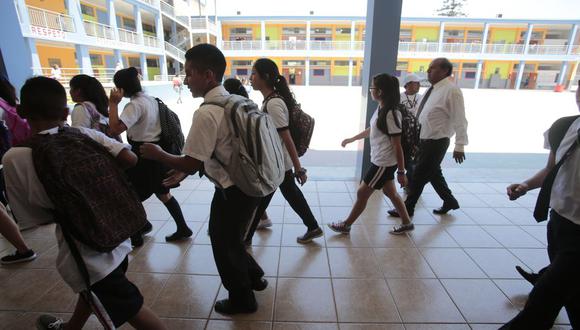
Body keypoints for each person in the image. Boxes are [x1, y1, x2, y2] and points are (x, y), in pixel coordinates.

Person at [3, 76, 166, 330]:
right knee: (96, 292)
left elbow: (35, 220)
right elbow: (130, 158)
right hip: (118, 233)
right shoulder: (85, 134)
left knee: (129, 305)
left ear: (22, 112)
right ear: (65, 111)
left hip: (86, 251)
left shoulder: (17, 157)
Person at [140, 44, 268, 315]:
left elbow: (192, 160)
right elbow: (217, 150)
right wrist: (185, 169)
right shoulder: (235, 101)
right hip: (250, 184)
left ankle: (242, 299)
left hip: (232, 190)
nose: (185, 80)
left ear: (208, 75)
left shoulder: (207, 112)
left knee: (223, 244)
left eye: (189, 73)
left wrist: (158, 153)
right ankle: (254, 276)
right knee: (229, 238)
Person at [500, 87, 580, 330]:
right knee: (572, 296)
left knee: (541, 304)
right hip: (559, 223)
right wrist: (526, 185)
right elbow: (551, 170)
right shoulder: (565, 127)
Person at [108, 67, 192, 243]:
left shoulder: (135, 105)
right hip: (157, 152)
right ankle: (183, 228)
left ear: (121, 89)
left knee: (130, 197)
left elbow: (115, 129)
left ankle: (137, 236)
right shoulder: (152, 100)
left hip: (142, 156)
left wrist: (113, 104)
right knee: (163, 194)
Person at [245, 58, 323, 245]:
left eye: (254, 74)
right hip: (279, 162)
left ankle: (245, 237)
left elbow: (286, 138)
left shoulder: (273, 104)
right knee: (287, 194)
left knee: (263, 198)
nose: (251, 77)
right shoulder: (271, 100)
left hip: (278, 163)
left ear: (265, 77)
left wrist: (299, 169)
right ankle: (313, 227)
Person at [327, 73, 413, 235]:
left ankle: (346, 225)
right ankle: (407, 222)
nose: (370, 90)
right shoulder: (382, 108)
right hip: (382, 160)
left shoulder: (391, 113)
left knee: (362, 193)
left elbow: (397, 145)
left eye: (372, 88)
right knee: (390, 192)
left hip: (383, 162)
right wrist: (353, 139)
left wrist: (401, 172)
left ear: (380, 91)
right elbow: (373, 129)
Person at [388, 58, 468, 218]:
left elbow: (460, 119)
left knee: (418, 175)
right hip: (424, 140)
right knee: (433, 173)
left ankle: (407, 208)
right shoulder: (433, 90)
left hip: (437, 140)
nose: (428, 71)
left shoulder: (451, 91)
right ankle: (450, 201)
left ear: (444, 71)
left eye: (432, 68)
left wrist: (460, 145)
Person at [222, 77, 271, 229]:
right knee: (250, 191)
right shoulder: (248, 103)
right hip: (252, 154)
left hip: (240, 157)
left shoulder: (231, 107)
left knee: (240, 192)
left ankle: (242, 229)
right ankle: (261, 218)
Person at [69, 74, 119, 141]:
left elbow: (79, 137)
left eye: (71, 88)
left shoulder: (81, 109)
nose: (70, 92)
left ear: (78, 91)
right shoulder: (99, 107)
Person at [400, 74, 423, 190]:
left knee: (413, 160)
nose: (419, 85)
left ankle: (410, 185)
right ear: (407, 85)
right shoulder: (399, 97)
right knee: (405, 159)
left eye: (419, 83)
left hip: (417, 134)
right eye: (416, 83)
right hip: (403, 134)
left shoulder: (422, 97)